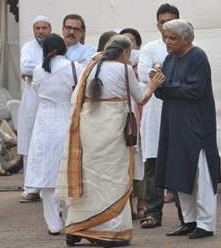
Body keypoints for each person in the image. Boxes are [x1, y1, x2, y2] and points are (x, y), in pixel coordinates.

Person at [58, 35, 164, 247]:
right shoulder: (123, 70)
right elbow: (141, 98)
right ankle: (108, 231)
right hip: (113, 131)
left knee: (88, 178)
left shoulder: (90, 65)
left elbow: (75, 97)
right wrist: (152, 84)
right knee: (113, 180)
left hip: (88, 129)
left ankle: (77, 226)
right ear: (124, 53)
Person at [154, 19, 221, 240]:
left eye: (172, 38)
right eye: (166, 37)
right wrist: (156, 83)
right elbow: (164, 92)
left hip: (196, 125)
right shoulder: (169, 59)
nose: (167, 42)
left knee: (201, 174)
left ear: (186, 39)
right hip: (175, 124)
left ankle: (205, 223)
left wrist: (166, 85)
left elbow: (195, 90)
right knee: (180, 171)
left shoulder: (197, 57)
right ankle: (189, 221)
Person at [25, 34, 81, 235]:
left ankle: (53, 224)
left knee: (46, 174)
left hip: (44, 123)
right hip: (67, 119)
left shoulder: (38, 71)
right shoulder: (75, 68)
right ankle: (69, 220)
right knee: (67, 172)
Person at [138, 3, 186, 231]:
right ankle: (153, 212)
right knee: (153, 166)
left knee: (178, 163)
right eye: (163, 22)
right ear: (157, 25)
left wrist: (161, 75)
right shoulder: (149, 48)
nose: (166, 26)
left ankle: (184, 215)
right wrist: (161, 76)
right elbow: (147, 76)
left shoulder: (186, 49)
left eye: (171, 21)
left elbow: (175, 78)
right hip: (155, 114)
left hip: (178, 112)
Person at [17, 15, 52, 203]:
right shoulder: (28, 47)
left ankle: (48, 185)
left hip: (51, 101)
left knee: (49, 143)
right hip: (32, 99)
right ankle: (30, 187)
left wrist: (35, 70)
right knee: (30, 142)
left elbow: (32, 69)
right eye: (37, 28)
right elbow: (25, 67)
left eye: (44, 28)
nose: (40, 31)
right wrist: (47, 67)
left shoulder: (56, 45)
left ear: (50, 29)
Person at [121, 27, 146, 219]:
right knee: (125, 165)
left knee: (140, 165)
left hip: (140, 119)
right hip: (123, 121)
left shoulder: (142, 66)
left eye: (132, 41)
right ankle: (127, 205)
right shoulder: (118, 67)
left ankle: (142, 204)